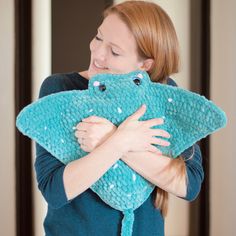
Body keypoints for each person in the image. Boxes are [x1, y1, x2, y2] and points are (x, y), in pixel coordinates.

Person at [35, 1, 204, 235]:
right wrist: (120, 142)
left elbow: (189, 184)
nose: (98, 54)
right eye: (98, 37)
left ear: (145, 65)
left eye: (114, 51)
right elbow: (53, 190)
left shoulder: (163, 95)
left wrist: (111, 139)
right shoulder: (61, 89)